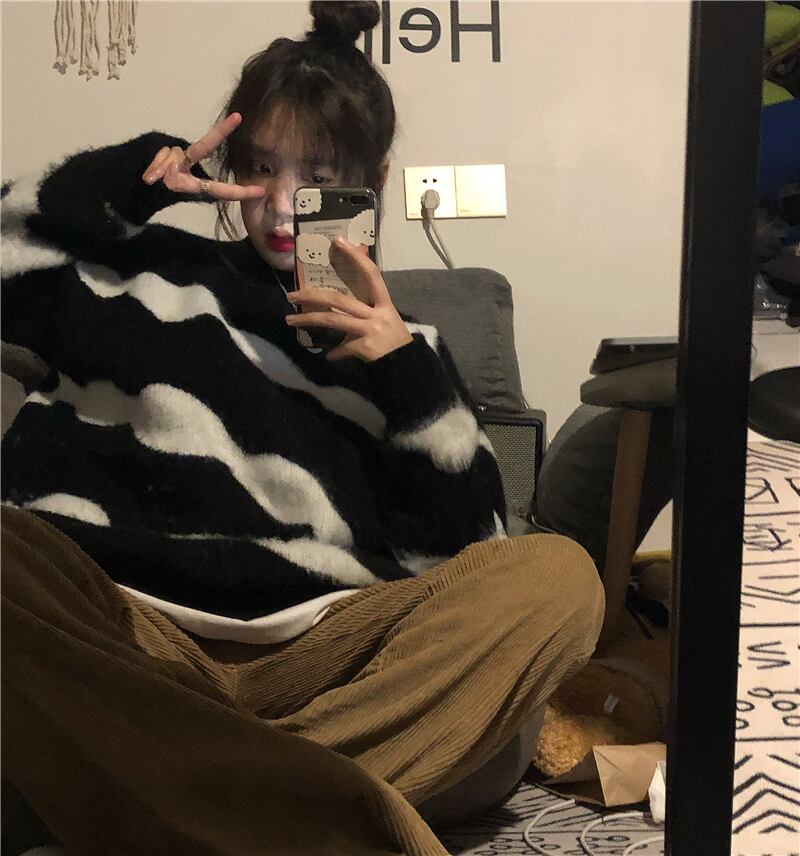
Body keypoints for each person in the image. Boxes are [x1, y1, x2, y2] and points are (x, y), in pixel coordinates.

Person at [1, 3, 611, 854]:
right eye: (261, 168)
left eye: (319, 176)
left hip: (326, 652)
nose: (284, 207)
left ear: (373, 180)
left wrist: (404, 376)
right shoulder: (140, 270)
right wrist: (128, 181)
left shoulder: (408, 350)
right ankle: (305, 813)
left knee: (558, 578)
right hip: (128, 630)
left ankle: (182, 804)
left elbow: (461, 556)